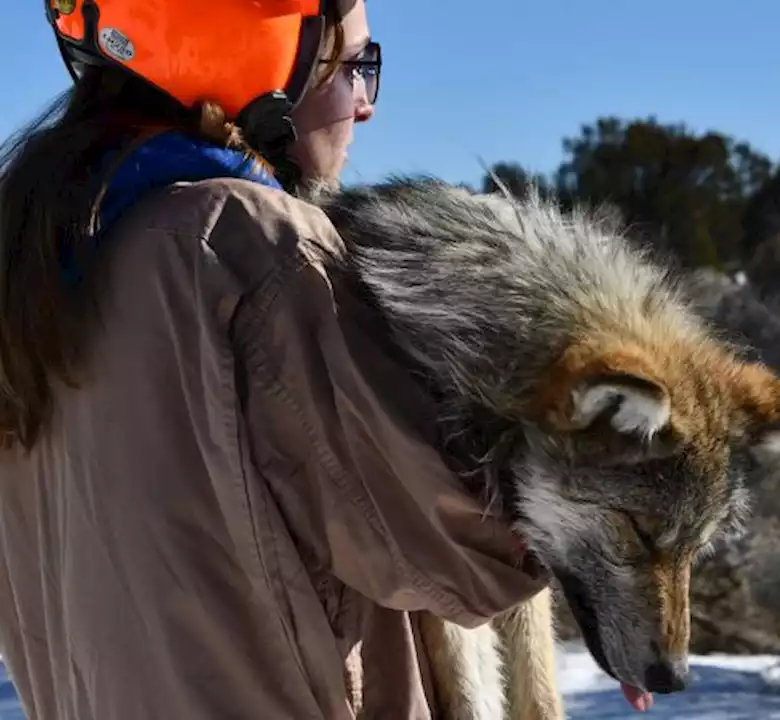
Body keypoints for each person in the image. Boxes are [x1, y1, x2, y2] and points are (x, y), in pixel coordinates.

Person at [0, 1, 552, 717]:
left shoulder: (34, 268)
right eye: (352, 66)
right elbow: (460, 551)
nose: (364, 106)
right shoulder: (248, 247)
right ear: (262, 55)